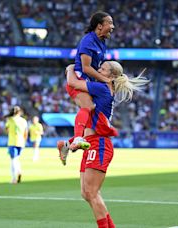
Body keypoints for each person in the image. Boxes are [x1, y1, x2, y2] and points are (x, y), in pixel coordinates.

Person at [59, 61, 149, 228]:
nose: (98, 70)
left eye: (102, 69)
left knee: (92, 193)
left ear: (111, 76)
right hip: (91, 143)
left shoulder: (101, 88)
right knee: (87, 194)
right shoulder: (103, 88)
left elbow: (72, 83)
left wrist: (71, 68)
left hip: (99, 144)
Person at [66, 11, 115, 150]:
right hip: (79, 77)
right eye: (110, 23)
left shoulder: (102, 42)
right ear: (99, 26)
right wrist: (105, 79)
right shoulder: (88, 41)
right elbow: (86, 68)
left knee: (91, 113)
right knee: (88, 107)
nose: (113, 26)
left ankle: (65, 145)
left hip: (88, 80)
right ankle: (76, 139)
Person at [5, 106, 28, 184]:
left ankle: (14, 178)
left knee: (13, 160)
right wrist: (24, 141)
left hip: (12, 141)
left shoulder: (10, 120)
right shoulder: (24, 121)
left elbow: (7, 130)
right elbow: (26, 133)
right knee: (17, 158)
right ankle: (19, 171)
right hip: (21, 142)